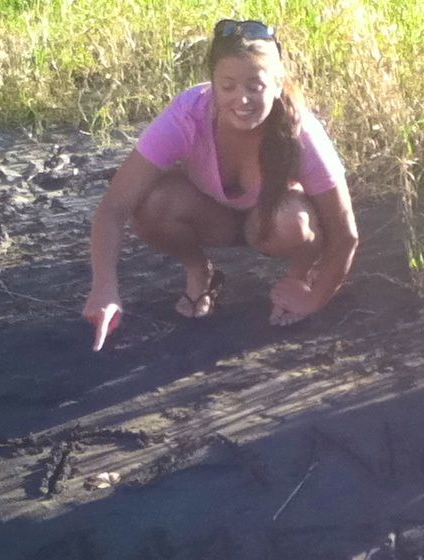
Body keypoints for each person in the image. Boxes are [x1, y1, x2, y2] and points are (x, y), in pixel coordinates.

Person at [83, 19, 359, 351]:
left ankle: (299, 276)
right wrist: (104, 290)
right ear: (212, 83)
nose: (241, 100)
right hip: (213, 216)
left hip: (273, 221)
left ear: (277, 83)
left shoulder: (303, 133)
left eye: (254, 86)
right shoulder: (187, 114)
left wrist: (314, 298)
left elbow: (346, 235)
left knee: (293, 222)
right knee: (151, 204)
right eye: (228, 86)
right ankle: (200, 271)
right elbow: (114, 207)